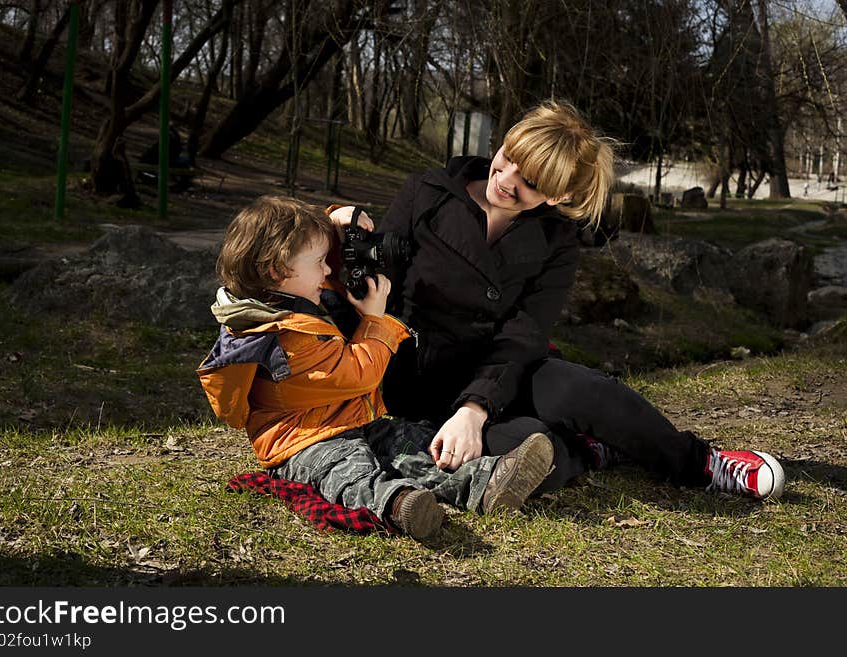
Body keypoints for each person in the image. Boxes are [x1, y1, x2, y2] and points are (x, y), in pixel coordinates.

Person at [331, 98, 786, 501]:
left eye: (529, 182)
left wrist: (474, 408)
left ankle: (702, 465)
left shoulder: (556, 240)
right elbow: (369, 274)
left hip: (496, 369)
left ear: (561, 194)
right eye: (507, 159)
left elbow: (523, 332)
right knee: (529, 446)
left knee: (580, 388)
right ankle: (586, 449)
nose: (506, 180)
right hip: (411, 372)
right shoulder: (427, 191)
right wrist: (341, 228)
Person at [197, 195, 555, 540]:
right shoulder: (281, 338)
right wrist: (375, 319)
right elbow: (359, 374)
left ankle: (487, 482)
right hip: (302, 443)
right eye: (320, 263)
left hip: (352, 420)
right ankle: (398, 505)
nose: (327, 270)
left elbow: (299, 237)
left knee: (409, 446)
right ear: (276, 271)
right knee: (348, 473)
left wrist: (339, 219)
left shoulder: (284, 298)